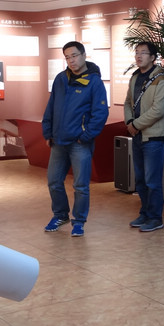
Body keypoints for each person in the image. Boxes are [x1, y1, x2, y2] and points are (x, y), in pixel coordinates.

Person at [42, 41, 108, 237]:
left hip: (80, 143)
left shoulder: (94, 82)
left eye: (74, 55)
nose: (71, 60)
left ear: (84, 55)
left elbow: (100, 113)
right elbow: (51, 106)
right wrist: (48, 132)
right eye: (67, 57)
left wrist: (86, 136)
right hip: (58, 141)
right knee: (54, 181)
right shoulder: (61, 79)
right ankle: (60, 215)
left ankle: (79, 221)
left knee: (80, 186)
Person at [124, 42, 164, 233]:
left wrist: (135, 125)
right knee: (141, 179)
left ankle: (155, 218)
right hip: (138, 135)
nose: (139, 56)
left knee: (152, 181)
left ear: (153, 57)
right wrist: (129, 121)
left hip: (154, 137)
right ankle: (144, 213)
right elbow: (128, 102)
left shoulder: (161, 81)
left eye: (143, 53)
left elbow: (158, 110)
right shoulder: (135, 77)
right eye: (137, 52)